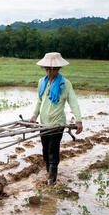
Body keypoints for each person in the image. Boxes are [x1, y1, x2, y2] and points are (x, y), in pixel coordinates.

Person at [30, 52, 83, 185]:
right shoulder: (42, 82)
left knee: (53, 150)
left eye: (51, 69)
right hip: (43, 124)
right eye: (46, 69)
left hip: (57, 123)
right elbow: (39, 100)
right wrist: (34, 115)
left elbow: (73, 102)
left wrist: (78, 120)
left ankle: (52, 179)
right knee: (45, 150)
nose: (48, 72)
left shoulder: (65, 84)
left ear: (58, 69)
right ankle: (49, 171)